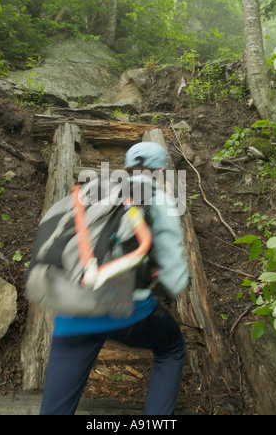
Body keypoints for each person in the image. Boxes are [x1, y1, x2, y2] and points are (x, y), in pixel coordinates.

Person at [39, 142, 189, 416]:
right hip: (127, 311)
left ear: (127, 168)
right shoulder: (159, 198)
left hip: (74, 308)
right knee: (172, 348)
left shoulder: (98, 192)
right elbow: (176, 279)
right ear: (162, 170)